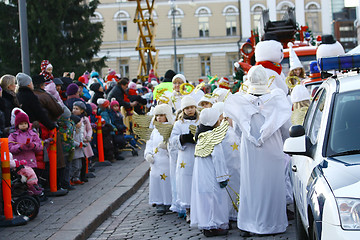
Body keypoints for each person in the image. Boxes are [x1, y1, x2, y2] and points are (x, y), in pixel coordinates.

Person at [224, 65, 291, 236]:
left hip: (250, 151)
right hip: (273, 150)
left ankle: (250, 223)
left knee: (251, 186)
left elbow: (238, 131)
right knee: (272, 186)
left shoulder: (240, 102)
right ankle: (273, 223)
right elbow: (286, 130)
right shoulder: (277, 101)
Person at [191, 107, 230, 237]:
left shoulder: (200, 135)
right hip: (212, 174)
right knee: (215, 199)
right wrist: (222, 176)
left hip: (201, 175)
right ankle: (215, 225)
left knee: (205, 200)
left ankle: (206, 223)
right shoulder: (213, 138)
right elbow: (218, 158)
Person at [169, 96, 199, 222]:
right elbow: (172, 141)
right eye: (187, 108)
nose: (190, 110)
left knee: (198, 180)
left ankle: (199, 208)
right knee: (186, 182)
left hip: (198, 155)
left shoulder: (200, 121)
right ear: (183, 110)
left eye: (192, 107)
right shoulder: (179, 124)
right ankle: (189, 210)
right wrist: (182, 138)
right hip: (185, 158)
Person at [144, 104, 174, 214]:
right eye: (157, 115)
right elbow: (149, 143)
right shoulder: (154, 130)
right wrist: (148, 154)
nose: (159, 118)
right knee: (156, 180)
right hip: (156, 161)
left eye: (162, 115)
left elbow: (174, 142)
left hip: (166, 160)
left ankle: (169, 201)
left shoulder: (171, 128)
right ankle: (159, 201)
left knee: (167, 180)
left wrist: (167, 146)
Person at [72, 101, 93, 183]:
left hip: (84, 141)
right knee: (77, 160)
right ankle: (76, 177)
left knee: (84, 159)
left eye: (77, 109)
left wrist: (88, 136)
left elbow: (89, 129)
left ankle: (83, 175)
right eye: (73, 108)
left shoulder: (85, 119)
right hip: (77, 141)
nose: (74, 110)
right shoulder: (72, 119)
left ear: (82, 111)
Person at [57, 107, 76, 190]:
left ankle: (67, 182)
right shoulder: (61, 128)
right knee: (64, 167)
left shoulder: (70, 125)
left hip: (70, 148)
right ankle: (64, 183)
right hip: (63, 149)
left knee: (68, 166)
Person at [70, 113, 84, 186]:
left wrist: (82, 142)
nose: (80, 123)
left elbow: (81, 138)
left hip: (79, 151)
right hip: (75, 151)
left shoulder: (78, 130)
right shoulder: (73, 131)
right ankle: (70, 178)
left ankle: (76, 178)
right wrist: (79, 144)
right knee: (75, 166)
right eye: (78, 122)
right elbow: (72, 141)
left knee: (79, 166)